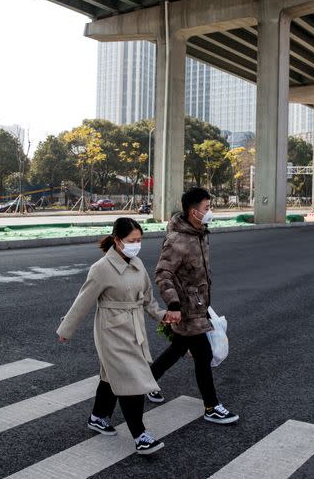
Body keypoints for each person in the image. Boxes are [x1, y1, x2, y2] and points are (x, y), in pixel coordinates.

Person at [56, 217, 181, 455]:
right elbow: (83, 301)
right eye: (132, 240)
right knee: (130, 380)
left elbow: (147, 299)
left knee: (110, 376)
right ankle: (140, 435)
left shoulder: (138, 264)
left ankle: (98, 416)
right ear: (117, 240)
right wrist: (66, 330)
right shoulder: (101, 269)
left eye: (139, 240)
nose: (137, 245)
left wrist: (163, 315)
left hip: (134, 329)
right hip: (111, 331)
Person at [149, 187, 239, 425]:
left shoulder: (199, 233)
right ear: (193, 211)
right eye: (206, 208)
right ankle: (211, 406)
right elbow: (163, 273)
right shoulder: (178, 240)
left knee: (177, 349)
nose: (210, 212)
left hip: (198, 305)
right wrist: (174, 304)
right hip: (186, 308)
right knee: (203, 355)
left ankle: (145, 383)